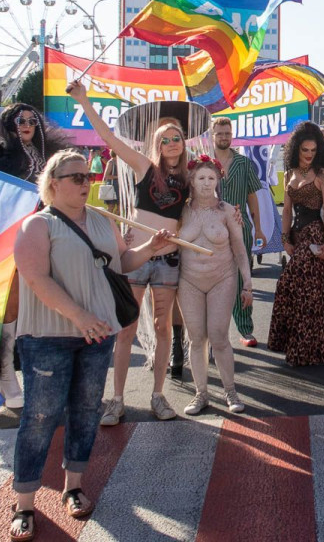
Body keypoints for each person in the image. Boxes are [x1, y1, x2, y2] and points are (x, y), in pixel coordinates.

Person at [9, 151, 172, 542]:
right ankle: (24, 503)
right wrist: (79, 316)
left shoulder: (102, 219)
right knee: (40, 417)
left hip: (98, 335)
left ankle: (74, 485)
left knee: (85, 411)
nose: (86, 183)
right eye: (76, 177)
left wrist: (150, 248)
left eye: (87, 176)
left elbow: (122, 262)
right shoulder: (37, 226)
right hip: (48, 337)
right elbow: (36, 280)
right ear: (53, 183)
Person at [67, 82, 185, 423]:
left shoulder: (191, 178)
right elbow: (109, 139)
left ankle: (158, 395)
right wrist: (84, 101)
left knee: (163, 326)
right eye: (165, 138)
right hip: (137, 255)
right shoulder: (144, 167)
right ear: (156, 144)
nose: (171, 144)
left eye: (176, 138)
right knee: (126, 329)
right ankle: (116, 399)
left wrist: (231, 214)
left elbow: (204, 209)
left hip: (169, 261)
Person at [0, 103, 73, 410]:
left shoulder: (49, 156)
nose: (25, 125)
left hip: (47, 238)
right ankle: (7, 377)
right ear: (7, 124)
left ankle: (45, 380)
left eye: (30, 120)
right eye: (19, 120)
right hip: (9, 242)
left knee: (46, 308)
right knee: (9, 310)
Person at [177, 156, 251, 415]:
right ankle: (201, 394)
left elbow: (240, 250)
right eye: (201, 178)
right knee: (196, 338)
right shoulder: (181, 211)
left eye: (211, 178)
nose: (207, 183)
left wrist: (248, 284)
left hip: (222, 278)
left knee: (219, 336)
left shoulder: (229, 211)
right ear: (192, 182)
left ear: (218, 181)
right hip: (189, 281)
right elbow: (163, 238)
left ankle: (230, 390)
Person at [267, 122, 324, 367]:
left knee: (310, 293)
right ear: (296, 149)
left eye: (313, 150)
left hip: (316, 235)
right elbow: (286, 211)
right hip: (297, 235)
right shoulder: (291, 172)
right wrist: (285, 240)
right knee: (292, 288)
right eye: (305, 150)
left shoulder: (322, 175)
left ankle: (308, 350)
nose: (309, 154)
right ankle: (296, 344)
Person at [211, 117, 266, 345]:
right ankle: (213, 332)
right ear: (212, 135)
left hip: (240, 225)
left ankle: (245, 328)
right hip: (211, 228)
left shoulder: (243, 163)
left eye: (227, 133)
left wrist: (259, 228)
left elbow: (252, 196)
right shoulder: (204, 163)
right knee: (211, 279)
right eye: (220, 133)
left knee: (243, 277)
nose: (224, 137)